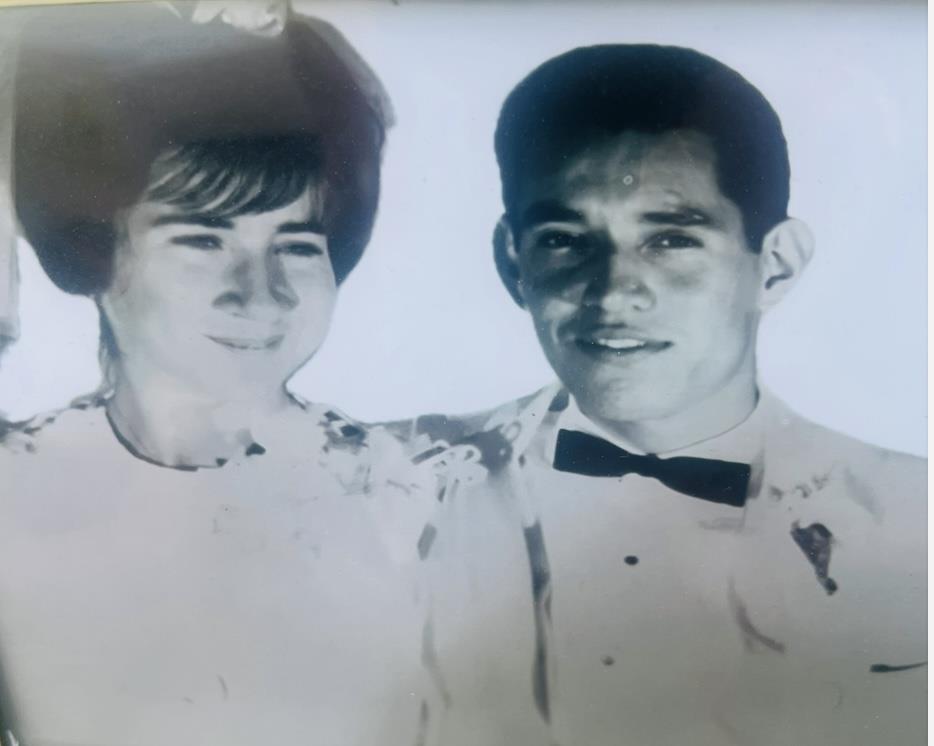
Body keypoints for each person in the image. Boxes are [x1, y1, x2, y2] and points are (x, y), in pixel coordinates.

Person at [403, 44, 926, 746]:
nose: (615, 291)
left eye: (672, 240)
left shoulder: (915, 522)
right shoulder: (389, 491)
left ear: (774, 265)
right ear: (512, 263)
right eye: (564, 239)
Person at [0, 6, 442, 745]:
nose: (259, 293)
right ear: (94, 255)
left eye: (299, 244)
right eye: (203, 238)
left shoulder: (424, 494)